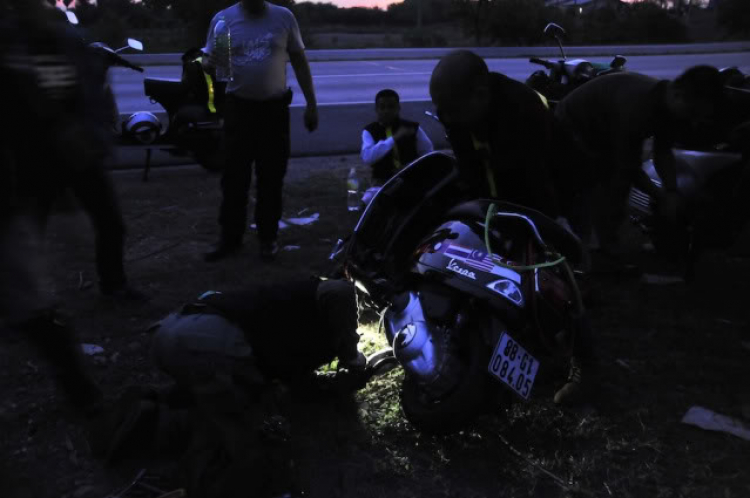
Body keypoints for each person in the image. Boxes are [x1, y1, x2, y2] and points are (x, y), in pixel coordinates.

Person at [429, 50, 593, 405]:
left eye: (451, 110)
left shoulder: (521, 109)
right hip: (523, 181)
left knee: (563, 268)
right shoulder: (459, 114)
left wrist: (550, 228)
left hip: (563, 181)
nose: (446, 118)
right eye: (441, 110)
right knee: (510, 251)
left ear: (480, 95)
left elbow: (536, 183)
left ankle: (584, 362)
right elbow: (472, 169)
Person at [0, 0, 105, 418]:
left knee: (31, 299)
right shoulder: (15, 49)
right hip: (16, 190)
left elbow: (41, 112)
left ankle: (82, 392)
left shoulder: (27, 52)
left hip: (9, 198)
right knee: (31, 299)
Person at [554, 66, 727, 257]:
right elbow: (628, 168)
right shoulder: (638, 109)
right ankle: (593, 249)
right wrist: (661, 197)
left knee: (610, 178)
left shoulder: (669, 104)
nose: (693, 122)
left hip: (603, 129)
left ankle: (602, 243)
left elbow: (663, 150)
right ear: (679, 94)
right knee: (598, 186)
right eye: (693, 113)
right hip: (572, 125)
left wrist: (671, 191)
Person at [201, 0, 319, 263]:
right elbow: (218, 68)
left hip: (274, 112)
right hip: (238, 110)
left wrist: (311, 103)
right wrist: (210, 64)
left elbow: (299, 60)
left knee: (272, 177)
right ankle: (230, 239)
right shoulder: (223, 19)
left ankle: (268, 238)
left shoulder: (283, 17)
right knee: (234, 178)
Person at [360, 89, 434, 204]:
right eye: (382, 107)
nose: (386, 111)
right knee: (371, 201)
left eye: (391, 107)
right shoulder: (370, 131)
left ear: (398, 108)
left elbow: (428, 153)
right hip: (382, 181)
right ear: (376, 109)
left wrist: (412, 167)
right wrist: (393, 139)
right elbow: (368, 157)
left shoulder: (412, 127)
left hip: (410, 178)